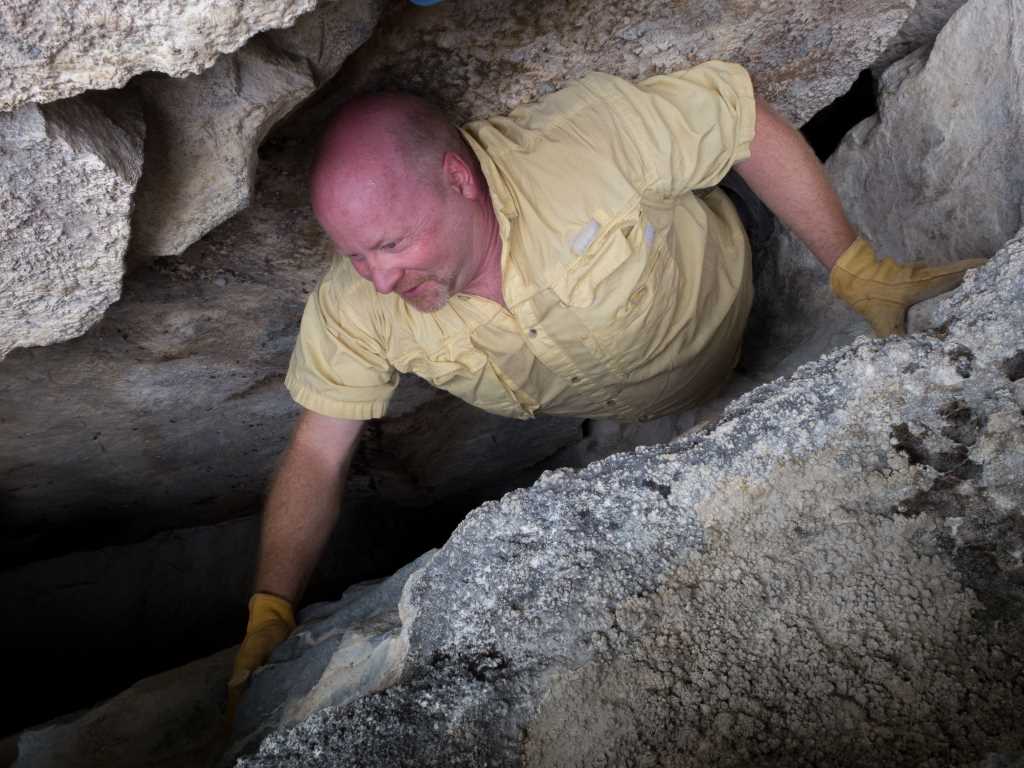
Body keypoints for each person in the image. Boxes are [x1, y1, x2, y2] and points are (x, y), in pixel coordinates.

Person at [225, 60, 983, 718]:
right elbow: (318, 454)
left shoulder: (583, 142)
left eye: (392, 244)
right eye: (357, 256)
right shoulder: (357, 306)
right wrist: (270, 607)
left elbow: (739, 119)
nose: (381, 279)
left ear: (457, 179)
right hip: (638, 416)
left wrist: (852, 267)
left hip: (744, 271)